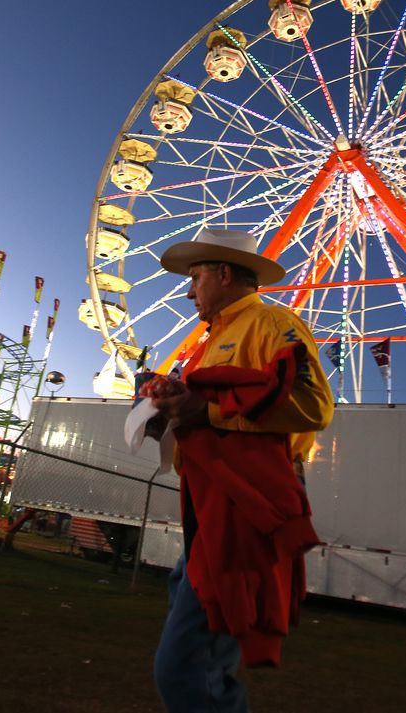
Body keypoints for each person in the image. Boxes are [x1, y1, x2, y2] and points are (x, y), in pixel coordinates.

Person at [144, 229, 334, 713]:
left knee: (185, 665)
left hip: (247, 499)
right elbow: (212, 403)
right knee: (193, 604)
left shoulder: (272, 322)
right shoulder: (213, 341)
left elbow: (313, 406)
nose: (189, 292)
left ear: (224, 274)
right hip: (208, 498)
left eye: (195, 278)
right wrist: (172, 404)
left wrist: (207, 413)